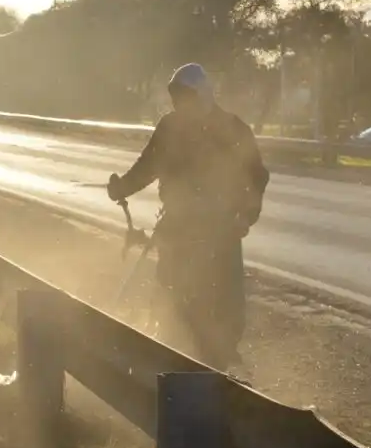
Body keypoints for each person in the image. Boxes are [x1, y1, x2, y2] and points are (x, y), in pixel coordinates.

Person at [105, 63, 270, 370]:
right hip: (177, 227)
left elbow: (256, 177)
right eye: (177, 98)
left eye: (187, 97)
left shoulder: (234, 129)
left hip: (221, 231)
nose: (182, 104)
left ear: (203, 96)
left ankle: (225, 366)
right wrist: (122, 188)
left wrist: (246, 216)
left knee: (225, 301)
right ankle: (169, 352)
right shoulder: (170, 127)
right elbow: (148, 166)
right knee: (170, 291)